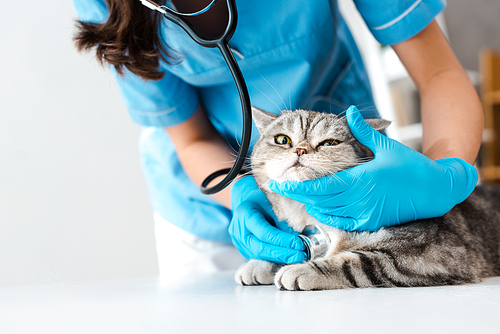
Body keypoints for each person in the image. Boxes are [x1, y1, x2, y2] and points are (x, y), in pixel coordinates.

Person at [72, 0, 482, 276]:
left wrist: (444, 172)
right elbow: (191, 138)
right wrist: (245, 194)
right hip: (207, 207)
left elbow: (439, 74)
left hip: (352, 192)